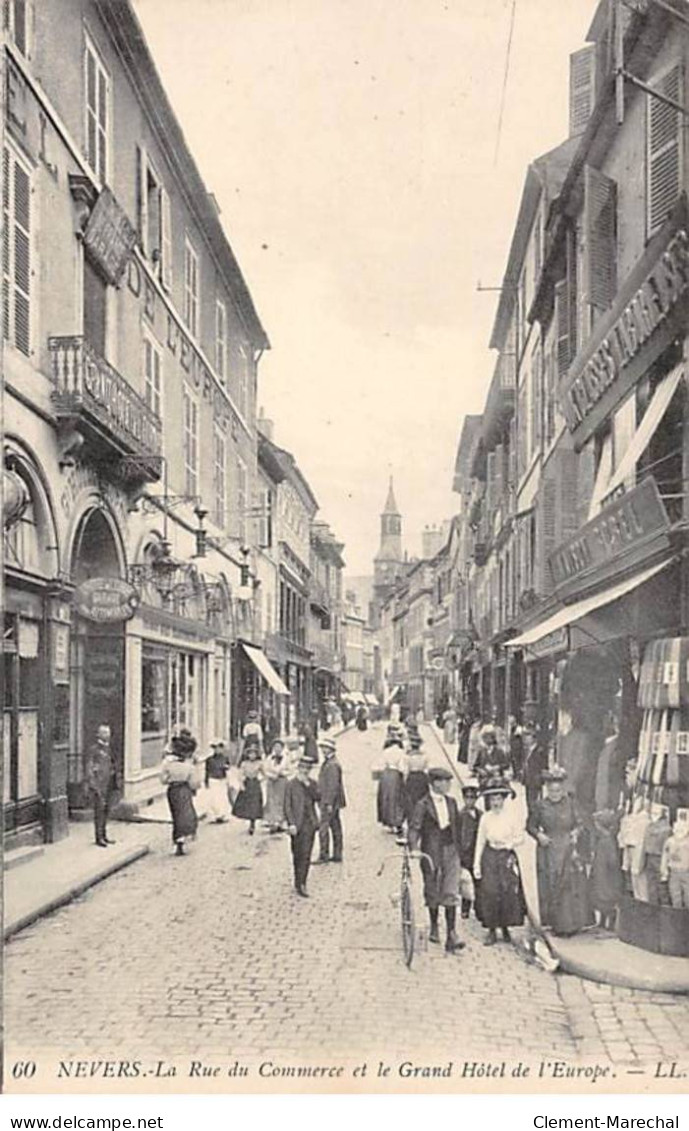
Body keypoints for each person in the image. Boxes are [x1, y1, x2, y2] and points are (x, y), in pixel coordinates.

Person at [526, 766, 593, 936]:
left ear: (562, 789)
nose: (555, 793)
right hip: (548, 849)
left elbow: (579, 823)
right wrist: (539, 834)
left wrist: (575, 833)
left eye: (558, 790)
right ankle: (553, 923)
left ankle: (569, 925)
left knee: (569, 885)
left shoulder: (570, 803)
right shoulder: (540, 805)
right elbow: (530, 826)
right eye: (551, 790)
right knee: (551, 884)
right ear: (546, 789)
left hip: (567, 847)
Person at [409, 766, 465, 953]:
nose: (448, 785)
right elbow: (414, 828)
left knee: (451, 890)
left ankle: (451, 933)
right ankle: (434, 926)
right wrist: (415, 848)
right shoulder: (422, 805)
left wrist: (462, 850)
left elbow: (457, 826)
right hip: (431, 851)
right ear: (435, 783)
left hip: (451, 850)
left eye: (449, 781)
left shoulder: (452, 802)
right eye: (445, 781)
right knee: (432, 888)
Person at [473, 777, 526, 945]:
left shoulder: (511, 817)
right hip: (490, 856)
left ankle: (505, 927)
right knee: (490, 892)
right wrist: (476, 864)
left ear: (503, 800)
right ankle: (491, 930)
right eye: (492, 799)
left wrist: (510, 844)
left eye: (498, 799)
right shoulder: (486, 818)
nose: (495, 803)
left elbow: (520, 837)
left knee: (507, 892)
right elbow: (480, 840)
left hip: (506, 857)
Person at [284, 756, 320, 896]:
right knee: (296, 853)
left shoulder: (312, 783)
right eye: (302, 768)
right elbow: (287, 805)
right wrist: (291, 823)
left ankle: (302, 883)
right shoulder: (291, 784)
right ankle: (297, 878)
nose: (305, 771)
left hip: (309, 823)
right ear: (298, 768)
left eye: (307, 769)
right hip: (296, 824)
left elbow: (318, 797)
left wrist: (308, 786)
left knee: (306, 854)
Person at [161, 732, 199, 855]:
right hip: (185, 789)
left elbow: (163, 779)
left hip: (172, 790)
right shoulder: (189, 766)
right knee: (186, 814)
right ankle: (182, 839)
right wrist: (194, 788)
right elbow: (194, 782)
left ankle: (177, 839)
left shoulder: (167, 764)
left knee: (176, 815)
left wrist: (170, 780)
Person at [86, 724, 119, 847]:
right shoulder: (94, 750)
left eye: (108, 733)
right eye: (104, 733)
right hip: (99, 785)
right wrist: (93, 784)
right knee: (99, 811)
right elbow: (89, 768)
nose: (107, 735)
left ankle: (104, 835)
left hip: (109, 783)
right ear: (98, 735)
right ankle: (98, 837)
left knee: (106, 810)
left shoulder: (109, 749)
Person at [590, 809, 623, 929]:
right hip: (601, 872)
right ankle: (603, 922)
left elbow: (612, 860)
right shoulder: (603, 839)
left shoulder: (607, 840)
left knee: (606, 896)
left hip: (606, 874)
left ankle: (611, 923)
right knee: (600, 896)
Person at [315, 738, 346, 863]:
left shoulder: (332, 764)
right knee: (335, 826)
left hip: (329, 801)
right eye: (322, 747)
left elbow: (332, 786)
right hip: (333, 801)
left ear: (331, 749)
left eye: (325, 748)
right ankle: (337, 854)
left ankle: (324, 854)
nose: (322, 750)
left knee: (324, 827)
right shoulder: (331, 762)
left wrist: (328, 803)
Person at [457, 779, 482, 919]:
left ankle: (478, 908)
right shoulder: (460, 815)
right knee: (465, 881)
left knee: (479, 881)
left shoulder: (480, 814)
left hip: (477, 851)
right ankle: (465, 908)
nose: (470, 801)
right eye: (467, 798)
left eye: (472, 798)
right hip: (465, 853)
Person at [377, 725, 406, 834]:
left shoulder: (386, 751)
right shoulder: (401, 752)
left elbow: (381, 764)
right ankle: (396, 821)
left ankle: (388, 821)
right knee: (397, 799)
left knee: (386, 798)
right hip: (395, 775)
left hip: (386, 774)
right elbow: (402, 767)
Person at [232, 746, 263, 834]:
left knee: (255, 804)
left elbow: (264, 773)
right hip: (247, 784)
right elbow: (240, 775)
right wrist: (241, 784)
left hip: (255, 784)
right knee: (247, 804)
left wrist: (261, 779)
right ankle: (249, 819)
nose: (252, 756)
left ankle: (252, 823)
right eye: (250, 754)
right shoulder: (244, 764)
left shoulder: (259, 763)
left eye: (254, 754)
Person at [262, 739, 288, 832]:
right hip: (271, 781)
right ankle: (272, 822)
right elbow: (265, 769)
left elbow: (285, 769)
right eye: (275, 747)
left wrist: (279, 773)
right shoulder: (269, 758)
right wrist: (271, 775)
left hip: (281, 781)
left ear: (282, 748)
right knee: (271, 800)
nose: (277, 749)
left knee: (281, 800)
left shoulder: (286, 758)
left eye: (279, 747)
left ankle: (281, 822)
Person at [403, 734, 429, 823]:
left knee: (411, 800)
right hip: (422, 777)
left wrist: (404, 781)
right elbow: (426, 769)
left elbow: (406, 771)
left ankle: (412, 818)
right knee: (421, 798)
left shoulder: (407, 757)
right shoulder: (424, 756)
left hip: (412, 778)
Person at [204, 738, 230, 823]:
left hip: (222, 780)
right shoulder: (209, 760)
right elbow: (207, 770)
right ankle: (214, 816)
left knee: (222, 797)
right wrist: (206, 781)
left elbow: (228, 769)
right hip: (213, 779)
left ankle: (222, 815)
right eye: (215, 748)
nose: (217, 750)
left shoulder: (225, 758)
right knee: (213, 798)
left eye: (219, 748)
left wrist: (227, 776)